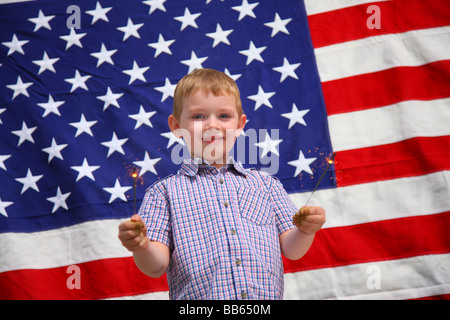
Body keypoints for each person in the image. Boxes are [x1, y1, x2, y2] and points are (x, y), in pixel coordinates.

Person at [118, 68, 326, 299]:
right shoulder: (163, 193)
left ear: (240, 124)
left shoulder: (266, 185)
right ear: (176, 126)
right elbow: (155, 267)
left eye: (224, 116)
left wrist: (305, 230)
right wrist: (142, 245)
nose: (212, 125)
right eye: (199, 116)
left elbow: (292, 250)